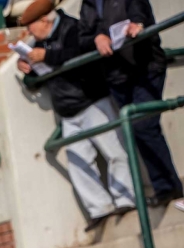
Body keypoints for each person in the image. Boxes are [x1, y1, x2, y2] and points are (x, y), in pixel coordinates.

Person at [18, 0, 135, 231]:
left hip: (92, 101)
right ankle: (99, 208)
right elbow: (35, 77)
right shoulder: (38, 44)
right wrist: (27, 69)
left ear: (44, 20)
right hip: (68, 112)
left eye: (30, 27)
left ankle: (127, 199)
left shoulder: (72, 27)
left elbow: (81, 50)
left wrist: (47, 56)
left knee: (115, 151)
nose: (28, 33)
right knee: (78, 163)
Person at [79, 0, 183, 208]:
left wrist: (137, 25)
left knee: (143, 125)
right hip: (117, 75)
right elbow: (83, 36)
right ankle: (165, 187)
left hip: (145, 67)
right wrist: (97, 39)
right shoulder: (89, 4)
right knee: (138, 129)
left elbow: (139, 13)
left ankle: (170, 187)